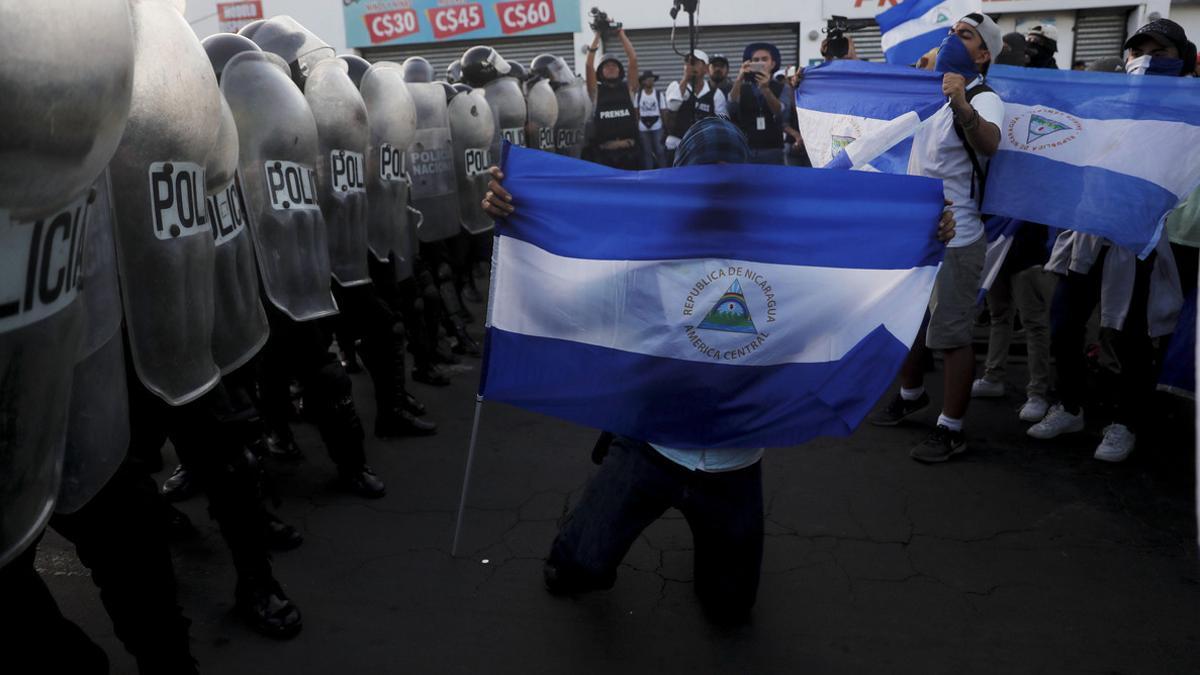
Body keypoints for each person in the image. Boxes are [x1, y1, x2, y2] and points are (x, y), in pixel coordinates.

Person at [478, 117, 957, 623]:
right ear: (680, 180)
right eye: (703, 180)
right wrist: (520, 216)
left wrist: (925, 237)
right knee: (573, 572)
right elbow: (565, 292)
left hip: (734, 461)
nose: (716, 193)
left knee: (730, 609)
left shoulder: (792, 260)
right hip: (651, 444)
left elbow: (865, 286)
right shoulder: (644, 250)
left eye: (729, 181)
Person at [1026, 19, 1192, 462]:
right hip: (1090, 232)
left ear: (1184, 62)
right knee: (1064, 323)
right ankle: (1070, 405)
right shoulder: (1103, 103)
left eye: (1162, 53)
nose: (1147, 61)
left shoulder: (1188, 115)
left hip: (1140, 239)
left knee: (1132, 334)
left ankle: (1125, 422)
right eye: (1139, 52)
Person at [870, 13, 1005, 464]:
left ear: (983, 54)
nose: (952, 39)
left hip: (958, 237)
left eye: (964, 35)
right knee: (907, 325)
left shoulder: (985, 98)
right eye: (951, 32)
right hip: (917, 234)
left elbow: (989, 143)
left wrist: (964, 105)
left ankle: (951, 428)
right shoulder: (927, 96)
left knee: (949, 336)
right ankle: (911, 395)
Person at [728, 42, 794, 165]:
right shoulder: (741, 87)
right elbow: (731, 107)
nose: (760, 63)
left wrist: (765, 89)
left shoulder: (782, 87)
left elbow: (781, 113)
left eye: (764, 59)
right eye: (756, 60)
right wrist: (739, 78)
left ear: (773, 64)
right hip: (746, 148)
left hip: (773, 148)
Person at [585, 28, 640, 169]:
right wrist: (597, 34)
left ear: (620, 70)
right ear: (601, 71)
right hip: (604, 156)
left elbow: (633, 59)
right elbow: (588, 65)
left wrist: (620, 32)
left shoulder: (628, 89)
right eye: (606, 66)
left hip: (631, 154)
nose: (610, 68)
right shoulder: (595, 92)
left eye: (614, 65)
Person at [664, 50, 727, 165]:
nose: (690, 66)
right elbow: (673, 107)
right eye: (687, 62)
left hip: (704, 148)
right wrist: (685, 78)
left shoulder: (716, 94)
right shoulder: (675, 86)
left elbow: (722, 122)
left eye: (695, 62)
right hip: (677, 146)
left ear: (706, 69)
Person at [635, 70, 667, 169]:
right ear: (643, 82)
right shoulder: (638, 95)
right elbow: (636, 111)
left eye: (652, 80)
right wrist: (637, 125)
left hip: (657, 125)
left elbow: (663, 111)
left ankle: (664, 171)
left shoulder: (658, 94)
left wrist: (665, 127)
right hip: (643, 127)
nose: (650, 82)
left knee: (660, 150)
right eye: (648, 80)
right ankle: (649, 173)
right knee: (647, 152)